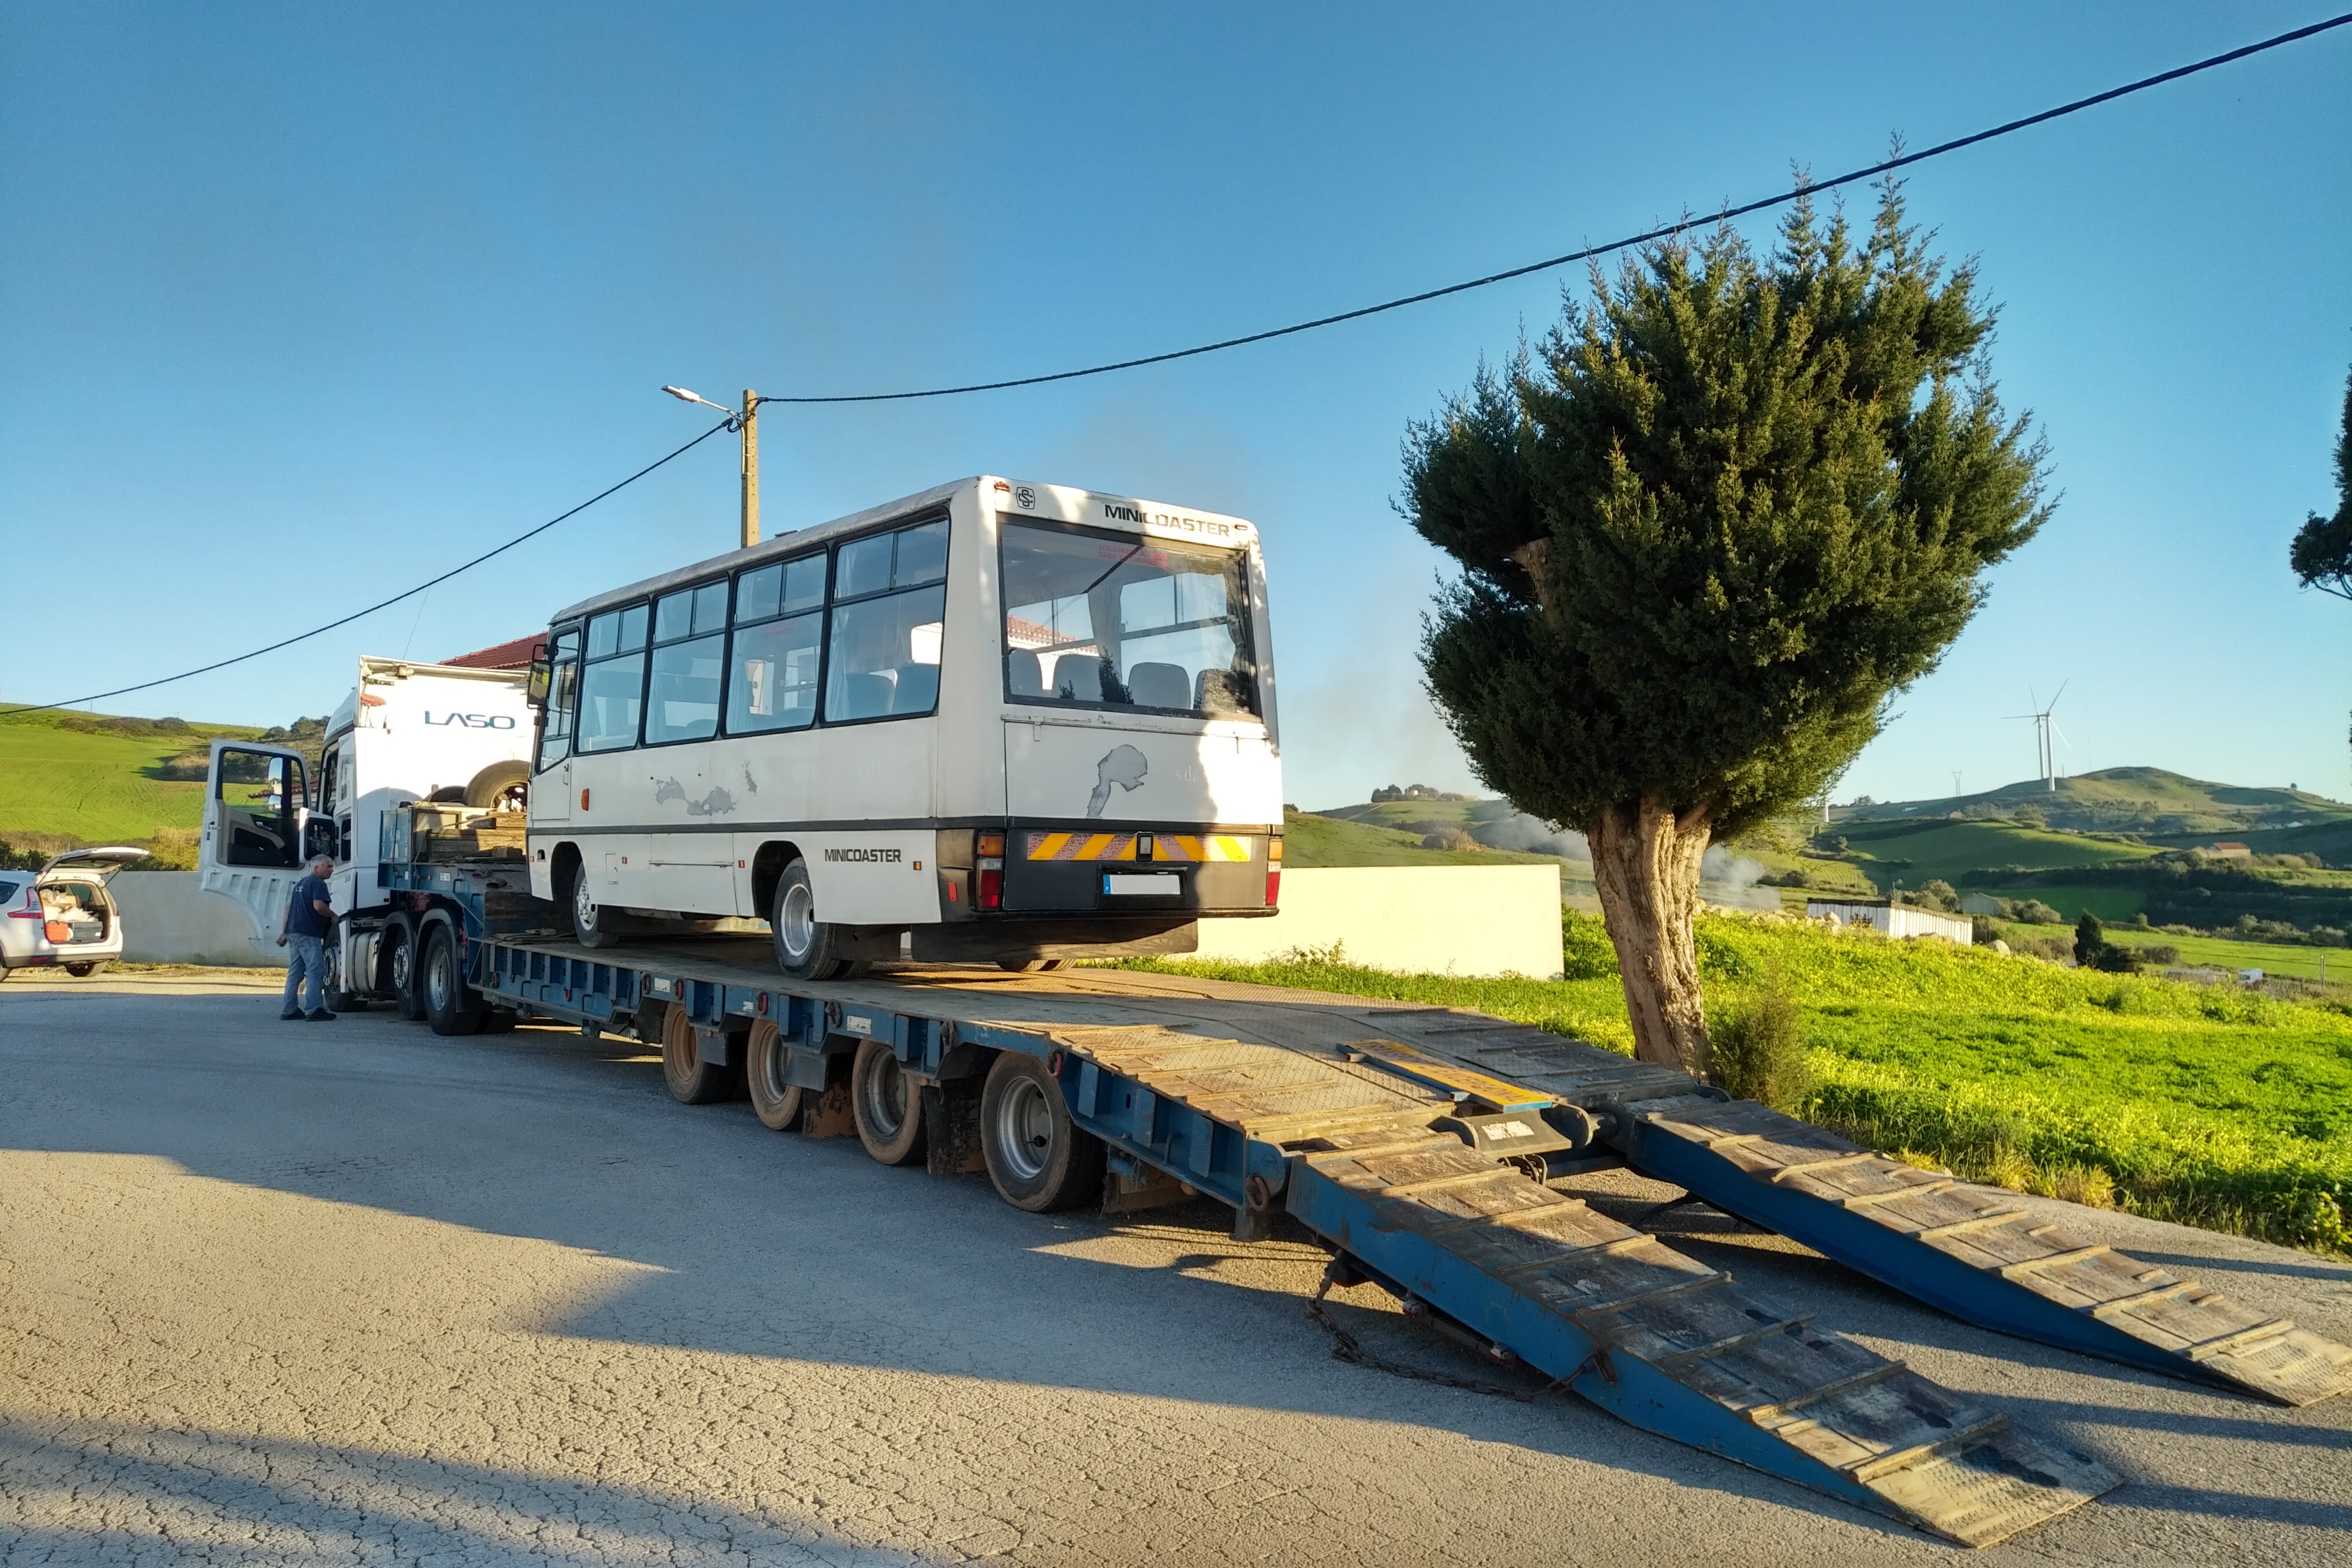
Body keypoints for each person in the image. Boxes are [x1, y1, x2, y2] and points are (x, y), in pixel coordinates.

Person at [277, 854, 337, 1021]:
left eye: (332, 866)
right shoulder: (318, 883)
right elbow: (318, 906)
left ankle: (289, 1010)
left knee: (295, 973)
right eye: (328, 866)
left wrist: (283, 932)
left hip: (293, 933)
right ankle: (313, 1009)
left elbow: (288, 907)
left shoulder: (301, 884)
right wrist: (332, 915)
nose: (332, 870)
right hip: (308, 934)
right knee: (315, 970)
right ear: (317, 868)